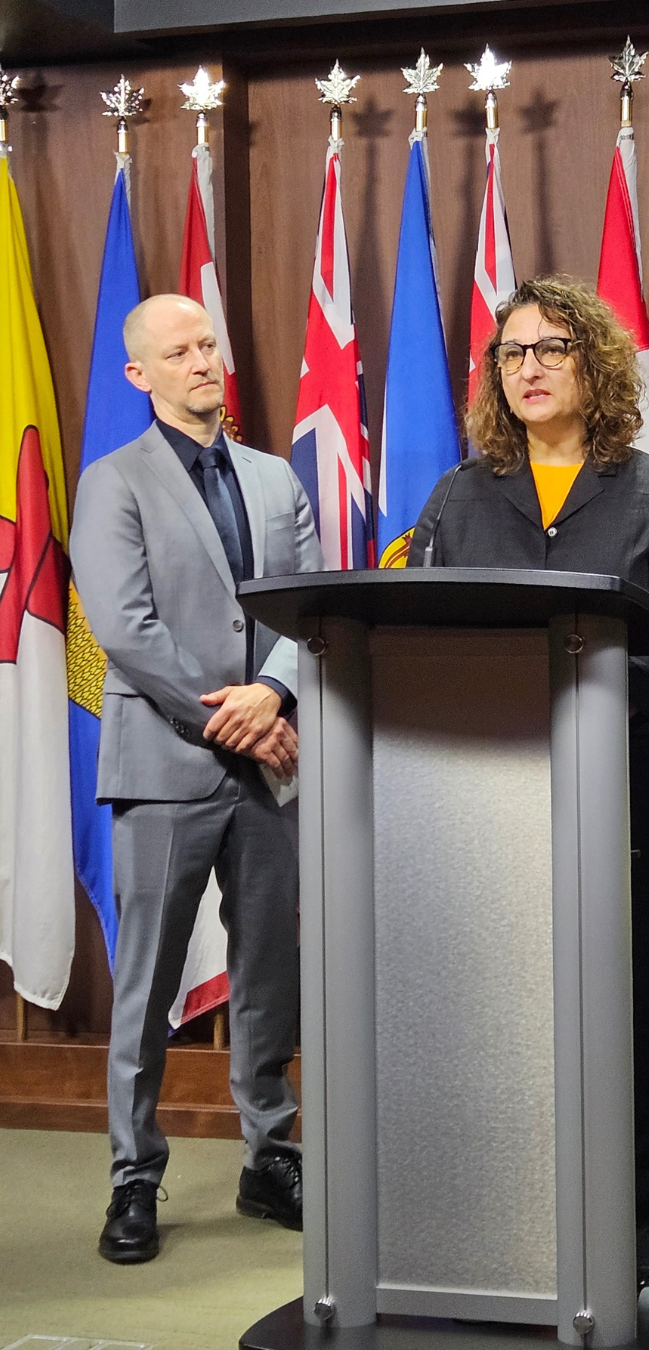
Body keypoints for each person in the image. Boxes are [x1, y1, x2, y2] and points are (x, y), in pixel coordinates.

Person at [407, 277, 649, 1305]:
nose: (528, 368)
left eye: (552, 349)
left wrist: (566, 699)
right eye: (512, 353)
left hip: (615, 793)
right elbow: (418, 635)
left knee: (630, 1019)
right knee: (495, 1018)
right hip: (485, 795)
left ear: (596, 365)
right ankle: (504, 1236)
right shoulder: (458, 496)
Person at [70, 294, 325, 1264]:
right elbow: (126, 630)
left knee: (270, 972)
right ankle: (134, 1176)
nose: (203, 361)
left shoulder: (273, 478)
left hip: (272, 761)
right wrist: (238, 721)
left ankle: (270, 1156)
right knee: (145, 982)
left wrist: (274, 693)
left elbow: (310, 606)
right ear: (139, 375)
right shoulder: (113, 483)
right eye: (178, 352)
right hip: (167, 762)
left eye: (208, 343)